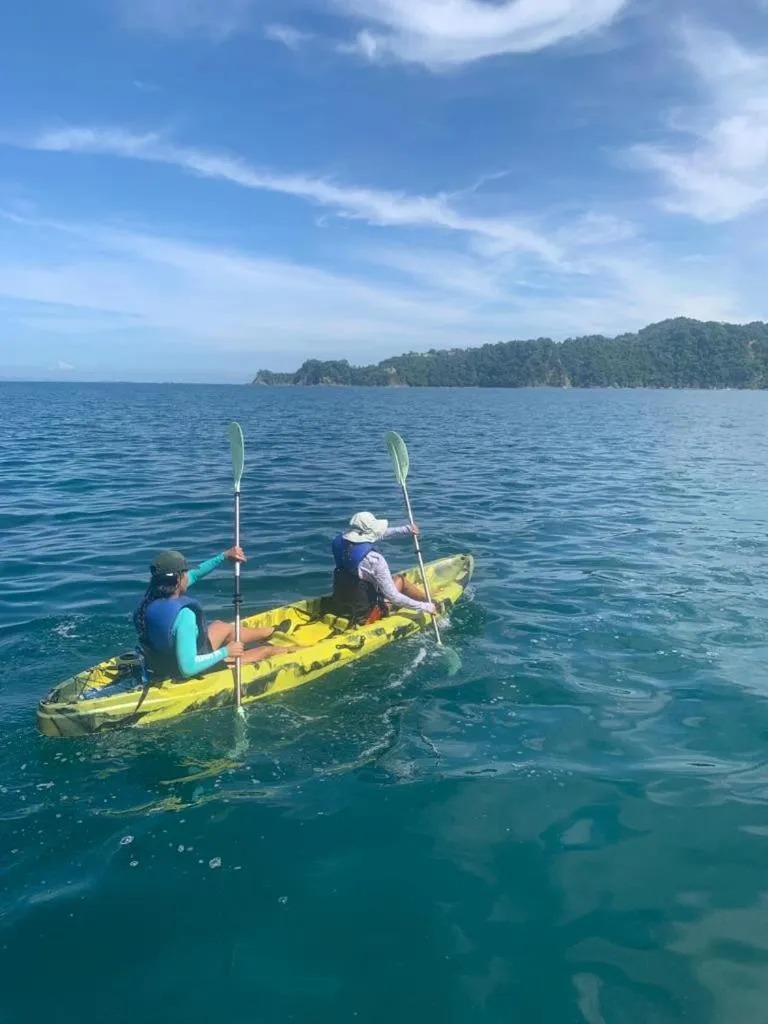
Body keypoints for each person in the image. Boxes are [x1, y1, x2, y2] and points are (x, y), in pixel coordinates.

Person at [134, 547, 294, 681]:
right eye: (185, 572)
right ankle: (304, 649)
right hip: (186, 669)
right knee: (265, 651)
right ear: (178, 579)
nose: (189, 575)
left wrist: (224, 556)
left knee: (221, 626)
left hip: (161, 661)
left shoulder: (148, 601)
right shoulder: (184, 616)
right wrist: (226, 652)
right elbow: (188, 669)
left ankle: (272, 631)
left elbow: (196, 574)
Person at [329, 511, 439, 625]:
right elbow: (394, 597)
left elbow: (377, 534)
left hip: (341, 603)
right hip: (365, 614)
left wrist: (406, 530)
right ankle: (430, 602)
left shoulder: (338, 542)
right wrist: (424, 607)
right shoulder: (374, 560)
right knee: (400, 580)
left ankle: (426, 602)